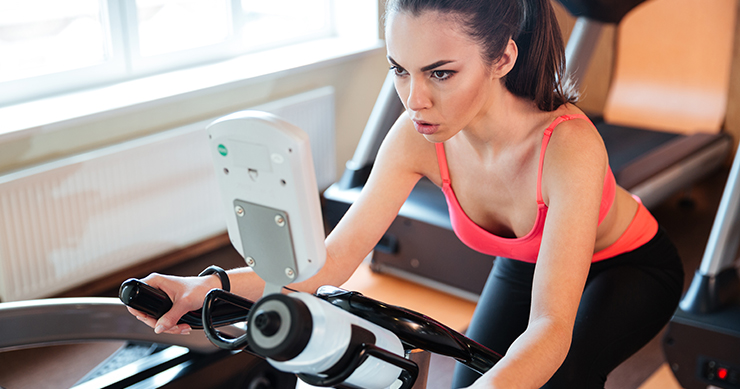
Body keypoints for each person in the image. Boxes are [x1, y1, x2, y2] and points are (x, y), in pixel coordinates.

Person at [128, 0, 685, 387]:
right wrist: (207, 287)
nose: (413, 99)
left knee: (560, 378)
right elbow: (332, 262)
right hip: (527, 263)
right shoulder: (416, 137)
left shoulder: (568, 147)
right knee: (475, 378)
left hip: (629, 267)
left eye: (440, 74)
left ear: (503, 59)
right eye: (400, 70)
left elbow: (549, 327)